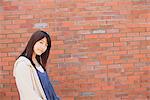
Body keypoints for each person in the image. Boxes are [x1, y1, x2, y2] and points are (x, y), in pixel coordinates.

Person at [13, 30, 60, 100]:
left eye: (46, 45)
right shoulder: (23, 64)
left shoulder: (38, 63)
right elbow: (28, 94)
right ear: (33, 41)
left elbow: (49, 89)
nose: (43, 47)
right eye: (41, 42)